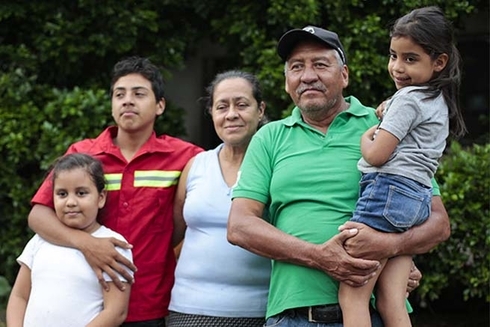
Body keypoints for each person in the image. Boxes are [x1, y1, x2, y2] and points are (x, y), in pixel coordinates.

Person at [227, 25, 450, 327]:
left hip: (374, 315)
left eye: (320, 64)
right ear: (286, 82)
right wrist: (320, 256)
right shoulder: (269, 137)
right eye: (296, 67)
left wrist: (391, 246)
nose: (307, 76)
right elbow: (240, 226)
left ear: (344, 74)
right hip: (292, 318)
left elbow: (437, 223)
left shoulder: (384, 124)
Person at [27, 56, 203, 326]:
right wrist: (88, 245)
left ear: (160, 106)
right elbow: (38, 215)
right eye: (119, 94)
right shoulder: (82, 154)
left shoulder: (186, 157)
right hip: (86, 304)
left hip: (150, 305)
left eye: (139, 94)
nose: (127, 100)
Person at [338, 7, 467, 327]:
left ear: (439, 63)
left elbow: (376, 156)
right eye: (394, 56)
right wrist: (389, 109)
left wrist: (367, 136)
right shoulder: (436, 100)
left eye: (410, 59)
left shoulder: (408, 99)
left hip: (386, 194)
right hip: (416, 200)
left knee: (353, 294)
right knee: (391, 297)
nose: (397, 67)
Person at [167, 70, 271, 327]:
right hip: (188, 310)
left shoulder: (277, 167)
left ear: (260, 110)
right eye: (222, 106)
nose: (231, 114)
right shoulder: (195, 166)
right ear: (212, 113)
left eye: (242, 104)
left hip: (258, 312)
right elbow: (173, 234)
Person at [7, 153, 133, 327]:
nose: (70, 202)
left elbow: (115, 312)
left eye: (81, 193)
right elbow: (19, 296)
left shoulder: (112, 245)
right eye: (62, 194)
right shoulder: (40, 240)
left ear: (101, 197)